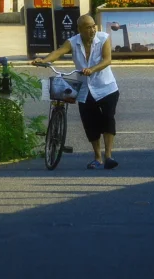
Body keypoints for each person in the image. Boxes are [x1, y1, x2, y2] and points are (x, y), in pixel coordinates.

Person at [34, 13, 120, 170]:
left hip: (106, 87)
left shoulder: (103, 38)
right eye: (88, 28)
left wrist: (92, 69)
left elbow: (107, 60)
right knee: (90, 123)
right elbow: (58, 52)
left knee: (108, 119)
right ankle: (97, 158)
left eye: (94, 26)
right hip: (85, 90)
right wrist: (44, 60)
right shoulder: (73, 42)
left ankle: (108, 156)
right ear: (79, 29)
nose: (92, 30)